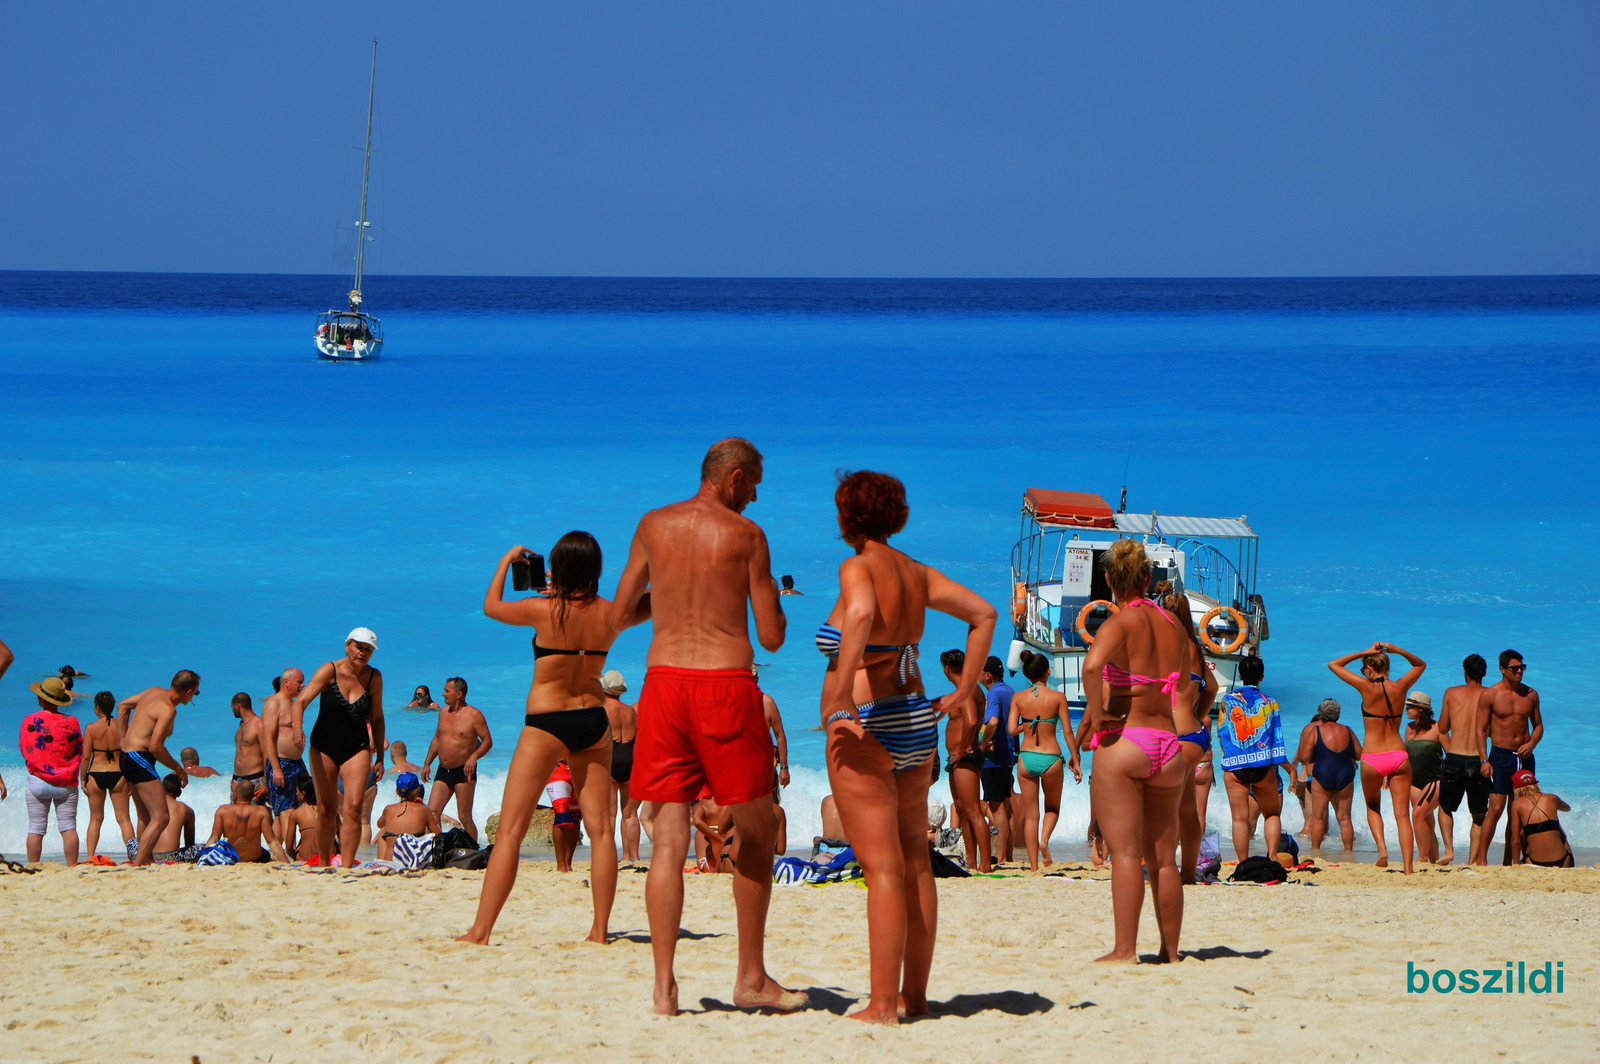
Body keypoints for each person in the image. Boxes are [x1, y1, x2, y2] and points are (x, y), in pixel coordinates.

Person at [608, 438, 803, 1016]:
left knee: (667, 839)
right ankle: (750, 977)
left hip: (663, 684)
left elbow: (620, 614)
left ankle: (665, 988)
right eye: (755, 483)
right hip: (722, 686)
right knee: (758, 825)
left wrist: (664, 601)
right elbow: (770, 637)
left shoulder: (652, 524)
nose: (757, 494)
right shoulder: (747, 536)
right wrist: (773, 600)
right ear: (734, 478)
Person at [818, 469, 996, 1022]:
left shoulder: (857, 567)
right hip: (916, 719)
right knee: (916, 862)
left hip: (867, 722)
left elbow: (864, 615)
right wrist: (965, 688)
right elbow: (983, 614)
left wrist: (841, 692)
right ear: (896, 515)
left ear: (847, 515)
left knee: (883, 869)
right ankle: (914, 997)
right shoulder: (916, 573)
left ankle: (880, 1004)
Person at [459, 534, 619, 947]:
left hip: (548, 721)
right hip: (593, 719)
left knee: (510, 831)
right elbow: (656, 601)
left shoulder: (543, 609)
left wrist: (507, 559)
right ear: (597, 570)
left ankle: (481, 932)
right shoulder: (612, 614)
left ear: (558, 568)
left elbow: (491, 606)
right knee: (601, 832)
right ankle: (599, 933)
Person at [1082, 538, 1193, 963]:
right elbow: (1182, 682)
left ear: (1109, 580)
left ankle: (1125, 950)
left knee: (1127, 854)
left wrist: (1097, 713)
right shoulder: (1173, 625)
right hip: (1169, 746)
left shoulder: (1120, 622)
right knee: (1164, 859)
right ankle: (1171, 952)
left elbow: (1092, 667)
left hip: (1127, 739)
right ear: (1148, 578)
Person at [288, 629, 386, 869]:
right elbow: (300, 702)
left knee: (353, 808)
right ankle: (323, 863)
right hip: (323, 747)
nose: (362, 652)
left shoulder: (374, 678)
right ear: (347, 646)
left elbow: (378, 717)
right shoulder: (329, 670)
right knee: (326, 809)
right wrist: (297, 728)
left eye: (368, 649)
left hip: (357, 748)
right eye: (358, 647)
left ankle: (347, 867)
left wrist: (381, 757)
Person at [1328, 642, 1425, 874]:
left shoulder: (1365, 687)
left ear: (1370, 666)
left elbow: (1334, 664)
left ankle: (1382, 850)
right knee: (1403, 815)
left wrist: (1364, 652)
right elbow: (1420, 664)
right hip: (1399, 755)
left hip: (1373, 757)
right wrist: (1397, 649)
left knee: (1373, 806)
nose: (1363, 672)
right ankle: (1409, 867)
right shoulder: (1401, 686)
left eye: (1364, 668)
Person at [1161, 591, 1219, 882]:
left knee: (1162, 807)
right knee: (1186, 808)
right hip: (1195, 736)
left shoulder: (1158, 644)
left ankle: (1165, 868)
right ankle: (1186, 874)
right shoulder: (1195, 647)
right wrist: (1198, 713)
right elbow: (1212, 687)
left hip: (1168, 738)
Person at [116, 672, 198, 866]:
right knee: (161, 817)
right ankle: (139, 865)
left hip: (127, 756)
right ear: (188, 692)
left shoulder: (152, 691)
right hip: (140, 757)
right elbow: (155, 747)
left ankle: (146, 860)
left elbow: (122, 706)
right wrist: (178, 768)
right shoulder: (168, 709)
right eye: (196, 692)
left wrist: (123, 740)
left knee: (145, 816)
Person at [1007, 650, 1074, 870]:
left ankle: (1034, 866)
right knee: (1052, 808)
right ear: (1048, 671)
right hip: (1051, 758)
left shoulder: (1018, 698)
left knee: (1031, 815)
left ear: (1026, 674)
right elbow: (1067, 732)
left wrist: (1027, 725)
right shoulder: (1058, 697)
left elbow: (1011, 729)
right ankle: (1044, 840)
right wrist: (1076, 757)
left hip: (1026, 759)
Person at [1217, 655, 1287, 863]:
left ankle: (1243, 862)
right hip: (1262, 766)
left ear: (1239, 675)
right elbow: (1277, 736)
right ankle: (1272, 857)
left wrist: (1227, 760)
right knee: (1272, 814)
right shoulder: (1270, 703)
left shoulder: (1227, 700)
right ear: (1261, 677)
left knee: (1239, 819)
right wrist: (1279, 763)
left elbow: (1222, 732)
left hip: (1235, 766)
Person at [1477, 649, 1543, 866]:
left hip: (1524, 757)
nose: (1519, 672)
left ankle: (1510, 861)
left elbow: (1538, 726)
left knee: (1519, 811)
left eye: (1522, 668)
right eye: (1514, 668)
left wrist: (1532, 743)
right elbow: (1480, 729)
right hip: (1500, 756)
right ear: (1502, 669)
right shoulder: (1490, 695)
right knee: (1495, 809)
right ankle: (1481, 860)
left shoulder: (1530, 694)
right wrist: (1484, 760)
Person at [938, 649, 991, 873]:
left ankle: (985, 864)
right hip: (958, 758)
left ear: (947, 669)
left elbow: (970, 723)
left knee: (973, 810)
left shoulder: (966, 690)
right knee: (962, 810)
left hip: (965, 756)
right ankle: (971, 860)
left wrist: (960, 750)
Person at [1436, 654, 1491, 866]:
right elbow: (1493, 731)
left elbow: (1442, 729)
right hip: (1479, 759)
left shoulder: (1451, 693)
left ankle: (1449, 851)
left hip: (1454, 758)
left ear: (1465, 672)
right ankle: (1472, 860)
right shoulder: (1490, 695)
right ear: (1484, 673)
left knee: (1445, 807)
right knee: (1478, 815)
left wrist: (1451, 752)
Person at [22, 676, 83, 865]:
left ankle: (33, 867)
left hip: (38, 782)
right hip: (65, 783)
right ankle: (72, 867)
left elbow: (25, 749)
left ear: (41, 699)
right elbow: (78, 749)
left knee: (36, 828)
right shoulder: (71, 721)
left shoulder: (29, 720)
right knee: (68, 827)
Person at [423, 677, 492, 841]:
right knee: (432, 813)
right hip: (443, 770)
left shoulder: (474, 715)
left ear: (458, 694)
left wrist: (474, 756)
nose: (443, 694)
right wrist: (427, 764)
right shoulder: (443, 713)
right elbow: (437, 738)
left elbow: (488, 741)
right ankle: (437, 849)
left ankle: (473, 850)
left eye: (447, 691)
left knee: (464, 816)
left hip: (464, 771)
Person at [1294, 698, 1360, 853]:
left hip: (1323, 774)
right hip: (1344, 775)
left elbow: (1304, 756)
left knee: (1318, 817)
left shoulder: (1317, 731)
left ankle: (1316, 850)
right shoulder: (1348, 730)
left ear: (1321, 717)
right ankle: (1348, 851)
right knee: (1344, 818)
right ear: (1338, 716)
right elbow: (1359, 754)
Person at [81, 690, 134, 862]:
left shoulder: (91, 728)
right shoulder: (122, 726)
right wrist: (131, 779)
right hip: (119, 774)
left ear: (97, 707)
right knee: (124, 819)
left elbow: (86, 756)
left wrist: (83, 778)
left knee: (95, 819)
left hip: (96, 774)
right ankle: (132, 856)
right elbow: (129, 752)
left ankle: (90, 857)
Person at [260, 667, 310, 835]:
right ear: (286, 682)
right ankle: (288, 852)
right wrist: (275, 768)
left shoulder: (294, 704)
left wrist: (302, 767)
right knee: (285, 811)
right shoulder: (274, 703)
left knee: (289, 810)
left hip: (295, 764)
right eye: (299, 682)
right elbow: (268, 737)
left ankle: (279, 851)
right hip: (281, 763)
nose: (303, 685)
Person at [602, 670, 642, 862]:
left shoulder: (601, 710)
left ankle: (609, 857)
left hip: (611, 758)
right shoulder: (630, 711)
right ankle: (633, 856)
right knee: (630, 814)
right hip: (631, 759)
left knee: (610, 815)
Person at [978, 655, 1015, 863]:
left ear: (988, 675)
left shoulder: (993, 694)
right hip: (1008, 754)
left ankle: (999, 856)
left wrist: (983, 744)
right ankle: (1008, 855)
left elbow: (992, 722)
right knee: (1007, 806)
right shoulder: (1009, 691)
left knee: (995, 806)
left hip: (994, 756)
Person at [205, 778, 288, 863]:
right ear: (253, 796)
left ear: (235, 795)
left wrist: (204, 858)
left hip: (231, 858)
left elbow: (214, 837)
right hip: (256, 859)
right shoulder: (261, 812)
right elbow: (271, 841)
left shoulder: (222, 811)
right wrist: (286, 862)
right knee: (267, 855)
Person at [1403, 692, 1443, 865]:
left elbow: (1451, 752)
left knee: (1417, 814)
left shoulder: (1438, 728)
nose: (1406, 710)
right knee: (1426, 820)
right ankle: (1434, 860)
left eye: (1410, 707)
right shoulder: (1409, 728)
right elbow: (1404, 755)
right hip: (1413, 781)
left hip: (1434, 779)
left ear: (1421, 709)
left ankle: (1421, 857)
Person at [1505, 770, 1573, 868]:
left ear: (1516, 789)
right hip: (1563, 860)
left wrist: (1516, 864)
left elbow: (1515, 840)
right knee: (1556, 826)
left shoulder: (1517, 804)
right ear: (1535, 784)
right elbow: (1567, 808)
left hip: (1534, 862)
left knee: (1521, 832)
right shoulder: (1551, 798)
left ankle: (1525, 859)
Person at [376, 772, 441, 861]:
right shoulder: (424, 810)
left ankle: (382, 861)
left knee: (383, 836)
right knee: (430, 834)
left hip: (391, 863)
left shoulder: (389, 809)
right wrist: (435, 823)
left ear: (397, 791)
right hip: (413, 861)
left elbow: (379, 824)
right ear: (417, 792)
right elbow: (439, 835)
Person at [546, 760, 585, 871]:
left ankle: (568, 863)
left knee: (576, 816)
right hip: (557, 769)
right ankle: (561, 865)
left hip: (579, 768)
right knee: (561, 812)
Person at [150, 775, 197, 863]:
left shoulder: (150, 805)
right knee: (200, 848)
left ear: (161, 789)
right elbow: (190, 843)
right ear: (179, 793)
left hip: (148, 855)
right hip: (171, 856)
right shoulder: (186, 809)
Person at [229, 693, 266, 795]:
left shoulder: (259, 724)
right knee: (235, 811)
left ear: (237, 706)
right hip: (237, 780)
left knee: (256, 811)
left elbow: (266, 754)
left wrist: (266, 783)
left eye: (232, 707)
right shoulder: (241, 725)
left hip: (255, 778)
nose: (232, 710)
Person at [280, 777, 322, 860]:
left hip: (306, 856)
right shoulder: (328, 811)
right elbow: (341, 836)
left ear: (303, 793)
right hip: (329, 856)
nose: (296, 794)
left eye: (297, 791)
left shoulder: (296, 813)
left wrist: (295, 856)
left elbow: (289, 847)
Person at [761, 677, 791, 790]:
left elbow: (780, 736)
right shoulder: (734, 701)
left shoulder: (767, 703)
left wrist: (784, 768)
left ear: (757, 679)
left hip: (764, 766)